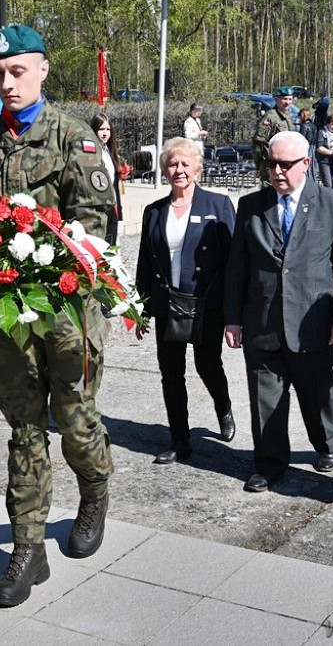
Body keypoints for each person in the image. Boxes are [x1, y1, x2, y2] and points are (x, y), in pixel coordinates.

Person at [0, 24, 116, 608]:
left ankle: (94, 488)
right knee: (24, 429)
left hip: (66, 316)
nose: (6, 83)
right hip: (5, 317)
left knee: (74, 421)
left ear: (43, 69)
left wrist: (41, 252)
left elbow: (94, 230)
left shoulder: (76, 139)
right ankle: (27, 550)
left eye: (17, 71)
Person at [224, 131, 333, 492]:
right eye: (271, 164)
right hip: (263, 322)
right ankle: (269, 464)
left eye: (285, 165)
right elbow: (237, 267)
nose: (277, 171)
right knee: (265, 397)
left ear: (305, 164)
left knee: (317, 393)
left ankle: (326, 443)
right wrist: (233, 319)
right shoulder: (252, 206)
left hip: (311, 324)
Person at [135, 137, 236, 464]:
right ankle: (180, 440)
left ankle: (224, 407)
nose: (178, 170)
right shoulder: (153, 212)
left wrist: (236, 314)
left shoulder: (219, 206)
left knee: (207, 365)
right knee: (171, 373)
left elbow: (233, 262)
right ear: (164, 170)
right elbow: (145, 263)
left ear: (198, 169)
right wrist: (142, 309)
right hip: (168, 303)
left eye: (184, 164)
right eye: (172, 164)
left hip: (207, 304)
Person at [91, 112, 124, 246]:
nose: (105, 133)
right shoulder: (90, 153)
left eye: (107, 129)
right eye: (101, 129)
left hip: (112, 209)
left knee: (111, 249)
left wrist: (120, 216)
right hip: (98, 210)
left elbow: (115, 187)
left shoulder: (110, 152)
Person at [252, 86, 297, 178]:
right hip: (272, 165)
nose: (287, 102)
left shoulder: (288, 117)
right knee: (270, 191)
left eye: (290, 99)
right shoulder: (270, 117)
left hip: (286, 164)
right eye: (284, 99)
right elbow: (258, 143)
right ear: (276, 99)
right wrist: (259, 165)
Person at [315, 114, 333, 190]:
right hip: (325, 161)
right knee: (328, 184)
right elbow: (319, 148)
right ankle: (327, 200)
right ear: (327, 124)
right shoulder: (322, 133)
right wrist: (331, 152)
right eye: (332, 124)